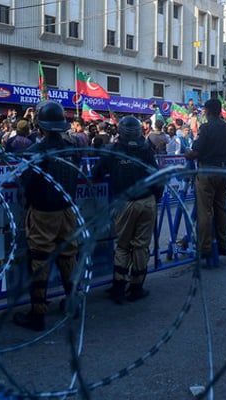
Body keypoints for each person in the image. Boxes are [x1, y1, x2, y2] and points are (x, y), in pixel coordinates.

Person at [13, 100, 81, 331]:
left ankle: (38, 314)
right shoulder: (73, 151)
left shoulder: (34, 152)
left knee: (40, 261)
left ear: (39, 126)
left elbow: (24, 184)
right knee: (68, 256)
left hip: (43, 213)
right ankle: (73, 303)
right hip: (67, 210)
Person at [91, 116, 163, 304]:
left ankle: (118, 287)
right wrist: (156, 199)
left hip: (125, 203)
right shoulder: (146, 150)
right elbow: (158, 177)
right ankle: (136, 287)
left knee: (123, 246)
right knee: (140, 246)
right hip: (147, 201)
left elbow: (96, 173)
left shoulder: (113, 150)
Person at [185, 98, 226, 259]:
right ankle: (223, 244)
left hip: (208, 172)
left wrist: (188, 154)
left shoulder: (205, 128)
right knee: (221, 208)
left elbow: (196, 151)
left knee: (205, 210)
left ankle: (205, 247)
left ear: (207, 111)